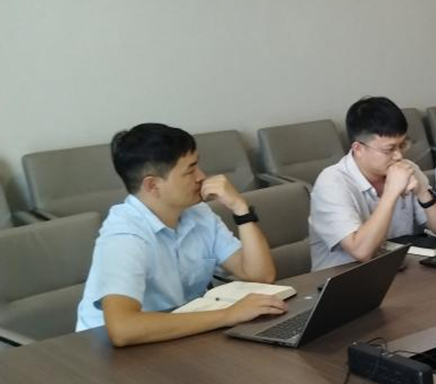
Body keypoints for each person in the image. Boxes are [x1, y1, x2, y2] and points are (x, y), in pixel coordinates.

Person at [75, 123, 285, 347]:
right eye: (190, 170)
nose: (202, 176)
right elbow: (123, 329)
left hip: (174, 335)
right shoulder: (124, 235)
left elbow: (261, 276)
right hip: (104, 351)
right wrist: (229, 314)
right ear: (152, 185)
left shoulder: (198, 213)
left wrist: (240, 209)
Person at [309, 96, 436, 270]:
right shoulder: (331, 183)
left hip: (399, 272)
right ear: (359, 149)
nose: (399, 156)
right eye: (389, 149)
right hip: (343, 278)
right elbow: (361, 252)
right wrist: (391, 192)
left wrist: (422, 192)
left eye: (402, 145)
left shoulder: (407, 168)